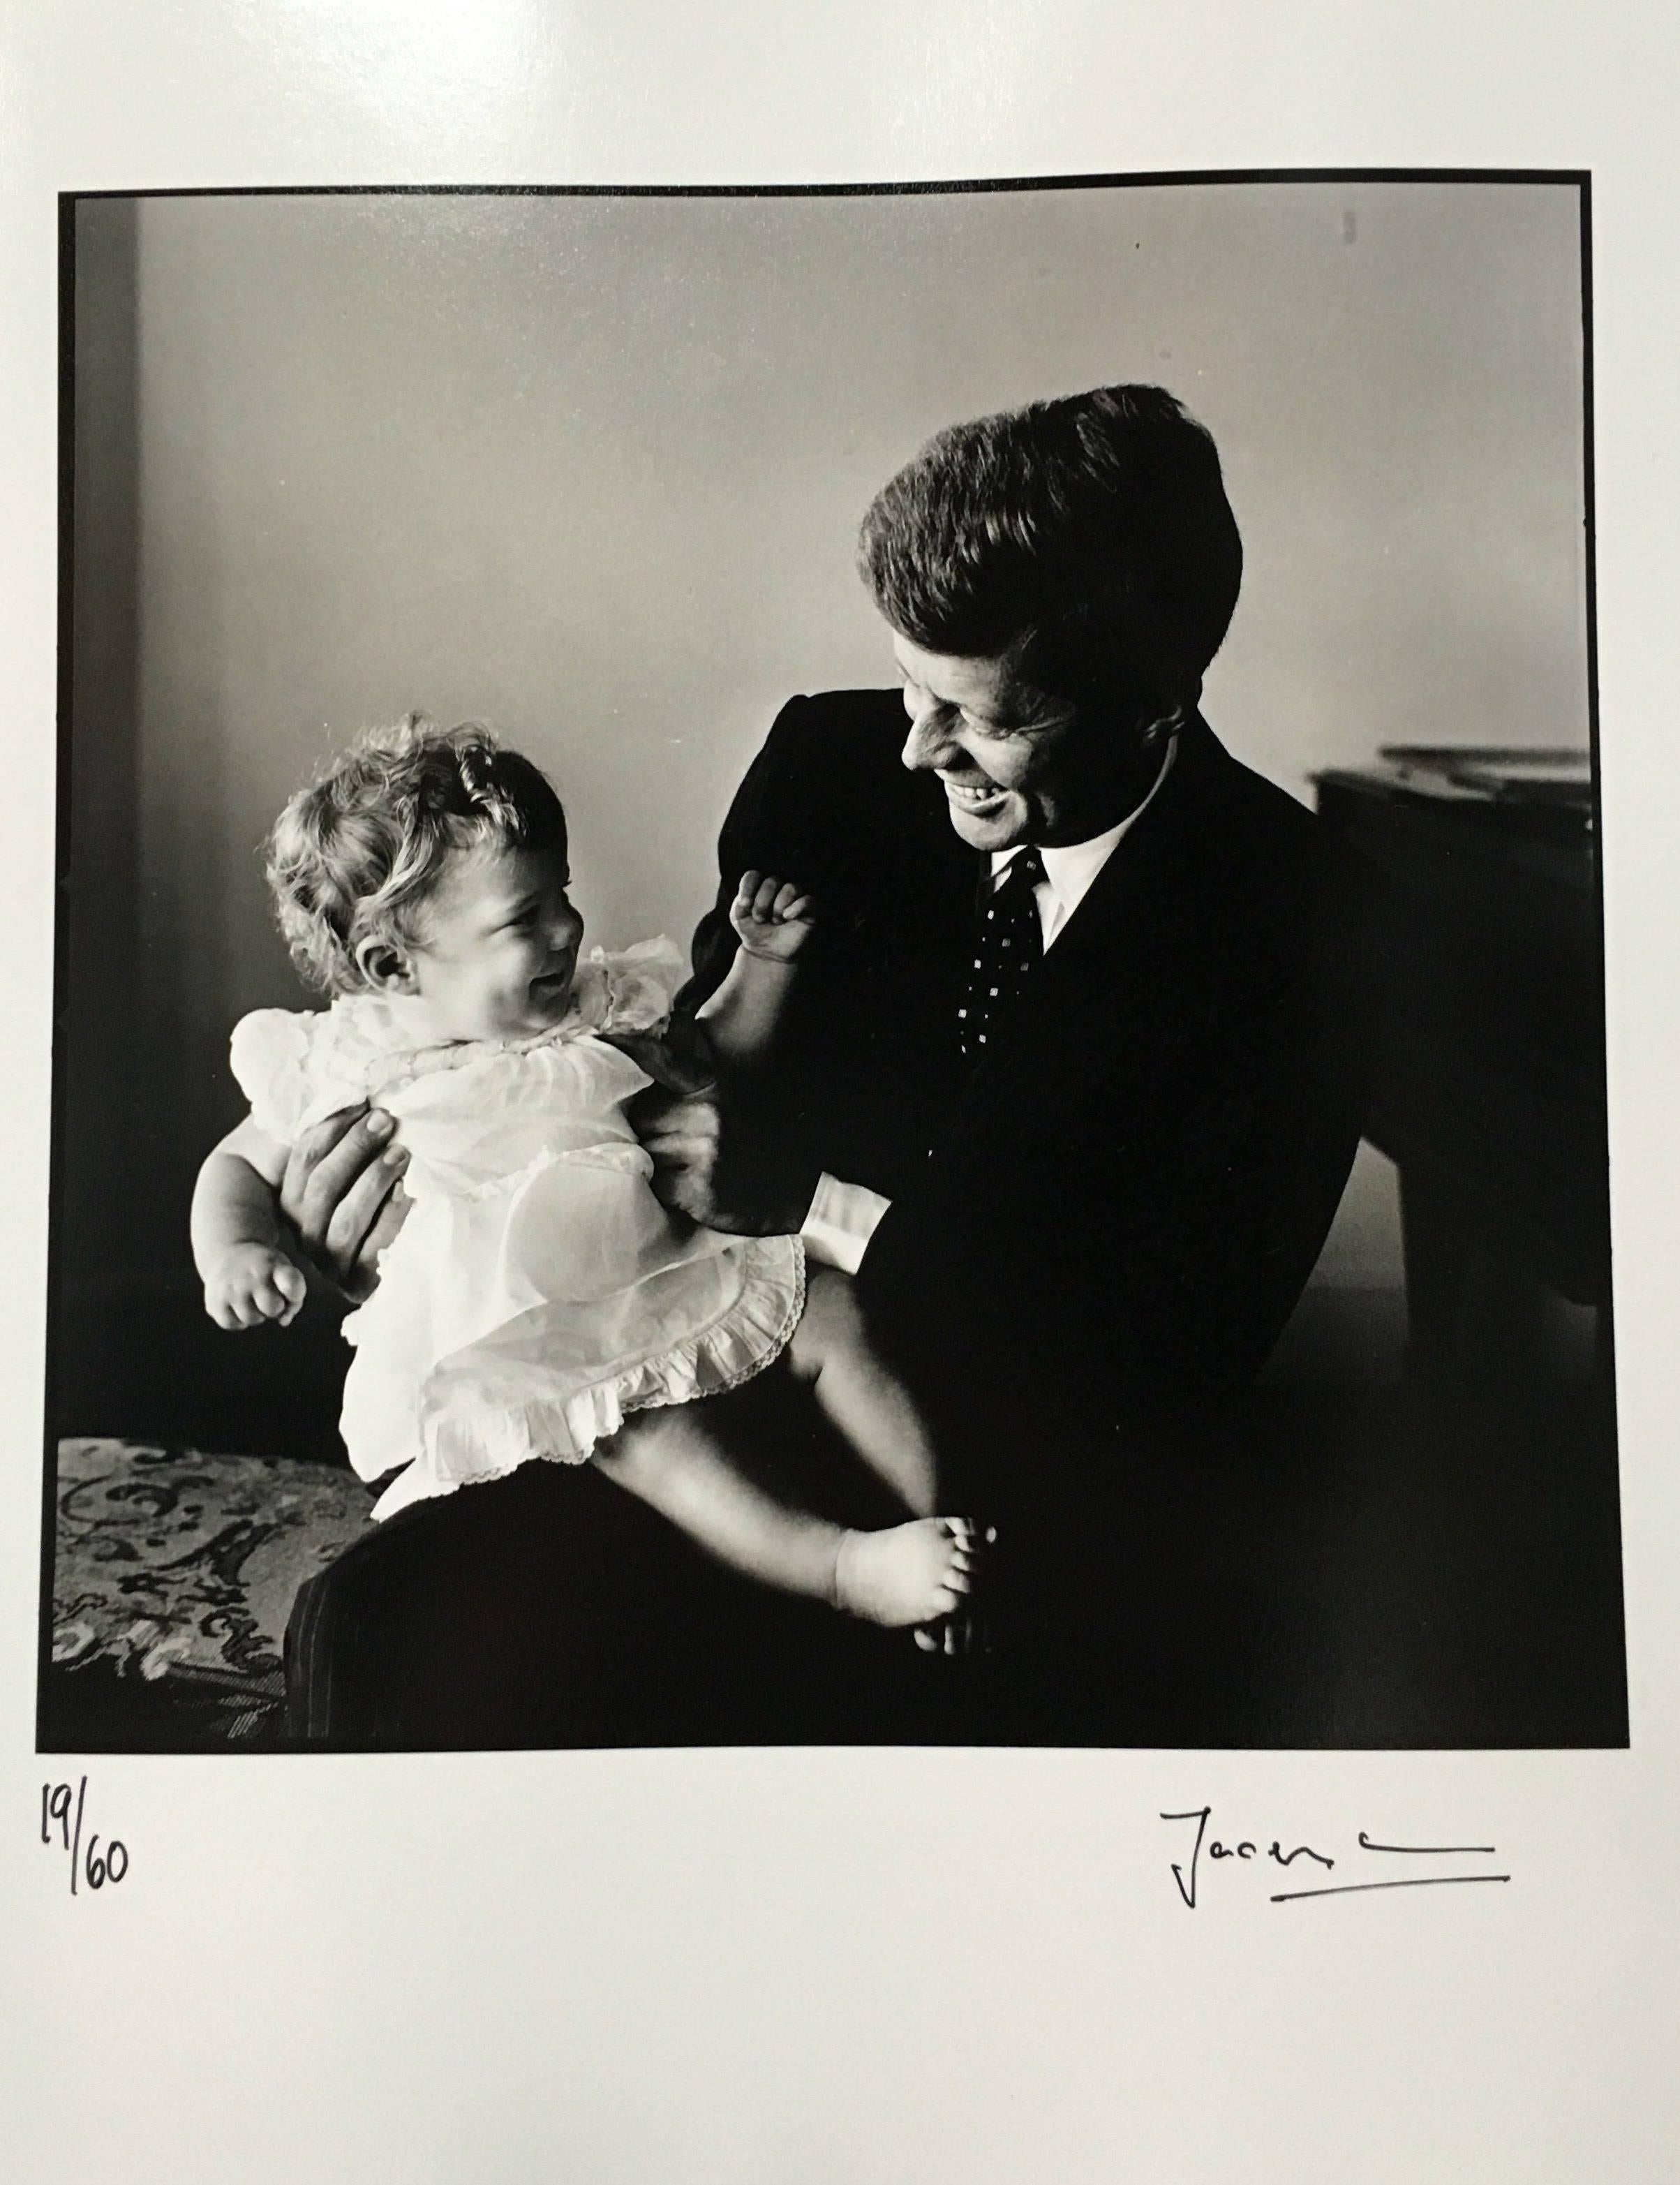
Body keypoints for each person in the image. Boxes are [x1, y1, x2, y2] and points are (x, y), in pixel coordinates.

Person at [281, 384, 1367, 1747]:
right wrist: (390, 1235)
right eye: (911, 687)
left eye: (977, 717)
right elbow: (651, 1104)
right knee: (387, 1617)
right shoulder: (829, 770)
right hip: (707, 1392)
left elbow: (1154, 1366)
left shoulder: (1299, 917)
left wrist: (812, 1205)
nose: (918, 749)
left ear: (1157, 699)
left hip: (1020, 1480)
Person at [192, 718, 979, 1645]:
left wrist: (764, 963)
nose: (567, 925)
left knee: (831, 1307)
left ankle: (951, 1522)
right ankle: (843, 1567)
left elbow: (715, 1051)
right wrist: (237, 1250)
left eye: (559, 893)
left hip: (656, 1276)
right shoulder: (349, 1057)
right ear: (392, 965)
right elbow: (241, 1159)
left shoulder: (597, 1005)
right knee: (637, 1433)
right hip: (519, 1351)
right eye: (524, 918)